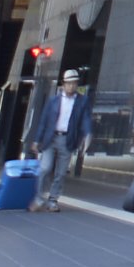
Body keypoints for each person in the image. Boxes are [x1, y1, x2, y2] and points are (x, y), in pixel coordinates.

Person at [28, 69, 92, 209]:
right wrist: (37, 140)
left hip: (67, 139)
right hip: (50, 138)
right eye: (69, 83)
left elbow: (86, 119)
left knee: (61, 172)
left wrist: (88, 134)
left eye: (74, 83)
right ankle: (38, 198)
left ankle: (53, 200)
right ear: (63, 84)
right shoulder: (54, 100)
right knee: (45, 168)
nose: (71, 86)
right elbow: (44, 121)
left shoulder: (83, 101)